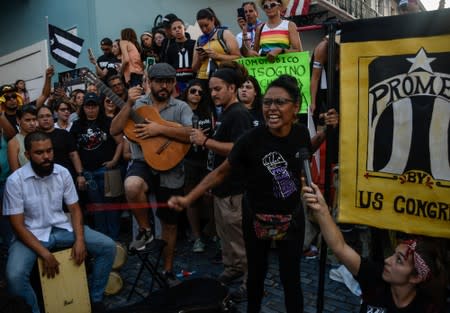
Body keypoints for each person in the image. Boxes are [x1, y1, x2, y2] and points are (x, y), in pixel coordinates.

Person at [169, 75, 311, 313]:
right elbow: (220, 173)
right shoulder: (250, 140)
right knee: (256, 276)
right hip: (255, 217)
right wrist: (188, 198)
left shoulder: (301, 135)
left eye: (280, 102)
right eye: (267, 102)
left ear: (295, 107)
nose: (272, 108)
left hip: (292, 218)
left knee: (291, 279)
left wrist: (326, 132)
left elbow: (303, 155)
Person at [3, 131, 116, 313]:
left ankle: (94, 299)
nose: (46, 157)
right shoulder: (15, 181)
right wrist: (45, 254)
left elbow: (75, 209)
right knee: (14, 276)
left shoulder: (62, 172)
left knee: (108, 247)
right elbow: (17, 225)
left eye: (49, 151)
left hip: (63, 228)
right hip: (32, 235)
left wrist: (80, 240)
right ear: (27, 155)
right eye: (39, 153)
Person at [302, 184, 446, 313]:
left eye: (399, 260)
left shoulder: (427, 308)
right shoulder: (375, 278)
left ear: (415, 277)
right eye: (394, 254)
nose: (388, 260)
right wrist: (322, 211)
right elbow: (340, 247)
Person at [110, 63, 192, 285]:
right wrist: (127, 103)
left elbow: (190, 134)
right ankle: (145, 229)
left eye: (168, 81)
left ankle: (167, 270)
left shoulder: (181, 106)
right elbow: (114, 130)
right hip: (143, 162)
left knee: (170, 224)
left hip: (171, 167)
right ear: (149, 82)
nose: (164, 86)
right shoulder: (137, 104)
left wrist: (159, 129)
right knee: (131, 186)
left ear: (174, 83)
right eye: (159, 81)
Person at [183, 62, 253, 286]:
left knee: (240, 238)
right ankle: (233, 268)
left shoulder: (239, 114)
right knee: (227, 237)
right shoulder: (225, 113)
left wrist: (205, 141)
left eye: (217, 89)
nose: (212, 94)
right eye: (211, 89)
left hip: (235, 189)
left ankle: (250, 282)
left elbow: (238, 149)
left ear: (232, 88)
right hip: (222, 188)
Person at [70, 93, 123, 241]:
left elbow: (120, 142)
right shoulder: (77, 125)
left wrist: (114, 160)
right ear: (83, 107)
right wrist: (80, 172)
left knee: (112, 207)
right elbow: (73, 151)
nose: (91, 109)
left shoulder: (108, 121)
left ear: (99, 107)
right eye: (88, 106)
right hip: (88, 173)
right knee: (97, 208)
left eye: (94, 106)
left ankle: (115, 240)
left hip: (108, 170)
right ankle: (103, 241)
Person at [179, 80, 214, 253]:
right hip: (188, 160)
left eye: (200, 92)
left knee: (209, 197)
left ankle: (211, 229)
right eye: (193, 91)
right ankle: (197, 236)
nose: (197, 95)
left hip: (207, 158)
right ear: (186, 92)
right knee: (191, 198)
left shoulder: (208, 110)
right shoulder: (179, 111)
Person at [192, 8, 241, 81]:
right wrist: (200, 58)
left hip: (222, 77)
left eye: (206, 25)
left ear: (212, 20)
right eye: (201, 27)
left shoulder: (225, 34)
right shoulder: (199, 40)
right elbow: (194, 68)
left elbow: (238, 58)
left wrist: (217, 56)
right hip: (202, 79)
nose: (204, 29)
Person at [164, 18, 196, 94]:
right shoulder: (170, 48)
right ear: (171, 32)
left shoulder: (194, 44)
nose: (177, 30)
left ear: (184, 28)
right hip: (177, 83)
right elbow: (169, 66)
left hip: (192, 80)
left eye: (179, 27)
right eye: (174, 29)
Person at [7, 105, 37, 172]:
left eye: (34, 119)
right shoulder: (13, 143)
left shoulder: (42, 137)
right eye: (27, 120)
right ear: (18, 120)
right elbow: (15, 172)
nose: (32, 123)